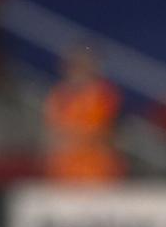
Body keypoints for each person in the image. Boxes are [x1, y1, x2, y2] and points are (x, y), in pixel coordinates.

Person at [43, 45, 124, 184]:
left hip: (96, 172)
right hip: (62, 171)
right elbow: (50, 133)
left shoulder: (103, 94)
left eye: (84, 65)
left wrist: (70, 137)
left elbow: (104, 133)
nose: (78, 70)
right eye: (75, 64)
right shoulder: (57, 95)